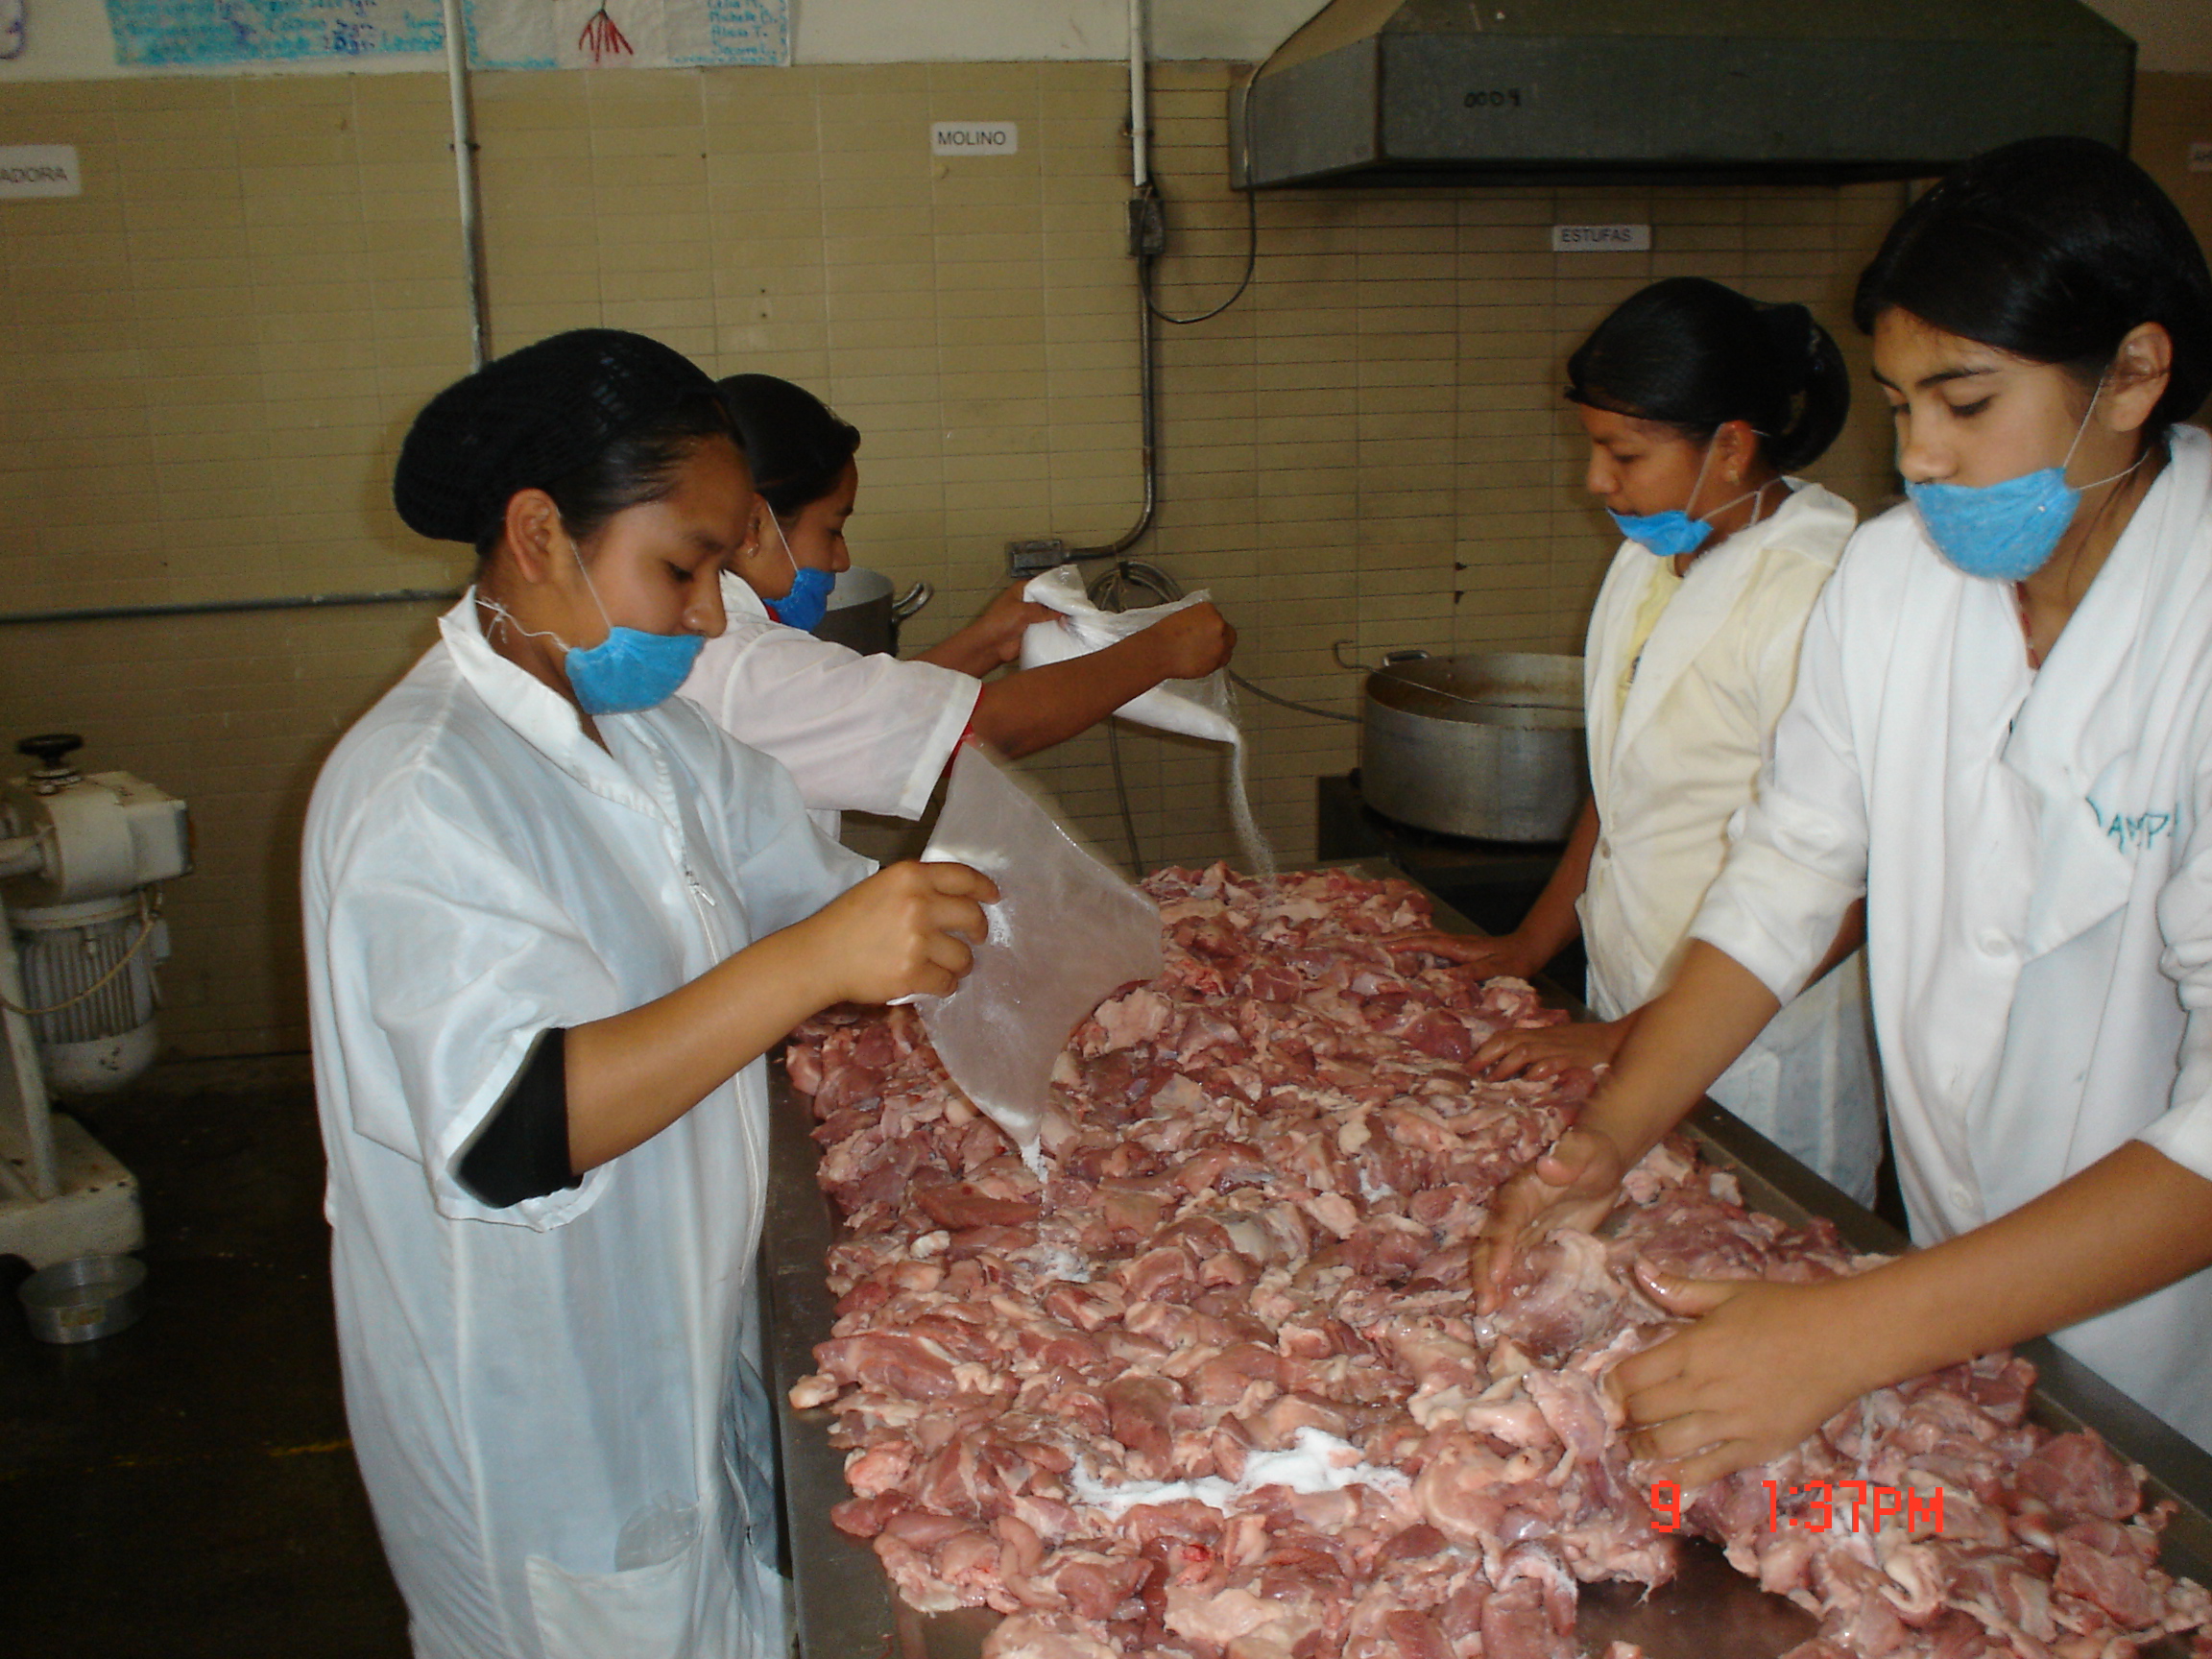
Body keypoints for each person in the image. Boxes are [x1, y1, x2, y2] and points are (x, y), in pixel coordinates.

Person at [1475, 136, 2212, 1478]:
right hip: (1944, 1262)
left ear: (2134, 373)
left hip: (2171, 1339)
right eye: (1899, 403)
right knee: (1934, 1528)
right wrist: (1610, 1136)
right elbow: (1787, 878)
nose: (1920, 456)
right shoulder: (1891, 583)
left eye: (1966, 403)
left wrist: (1848, 1332)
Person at [302, 329, 995, 1659]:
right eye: (683, 566)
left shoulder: (658, 739)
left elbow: (809, 899)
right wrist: (814, 964)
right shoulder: (423, 790)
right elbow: (508, 1127)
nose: (709, 613)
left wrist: (954, 931)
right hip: (540, 1414)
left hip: (673, 1331)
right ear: (539, 534)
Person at [1402, 277, 1883, 1201]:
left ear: (1731, 447)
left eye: (1622, 453)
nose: (1596, 480)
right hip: (1625, 1001)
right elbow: (1622, 782)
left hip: (1758, 1046)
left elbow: (1850, 885)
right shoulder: (1653, 556)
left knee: (1742, 1240)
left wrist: (1639, 1037)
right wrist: (1532, 942)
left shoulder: (1818, 593)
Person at [679, 373, 1238, 833]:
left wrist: (988, 641)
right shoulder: (741, 661)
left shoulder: (722, 647)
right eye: (833, 529)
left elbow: (865, 712)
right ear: (753, 526)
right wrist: (1160, 650)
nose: (841, 560)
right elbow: (984, 729)